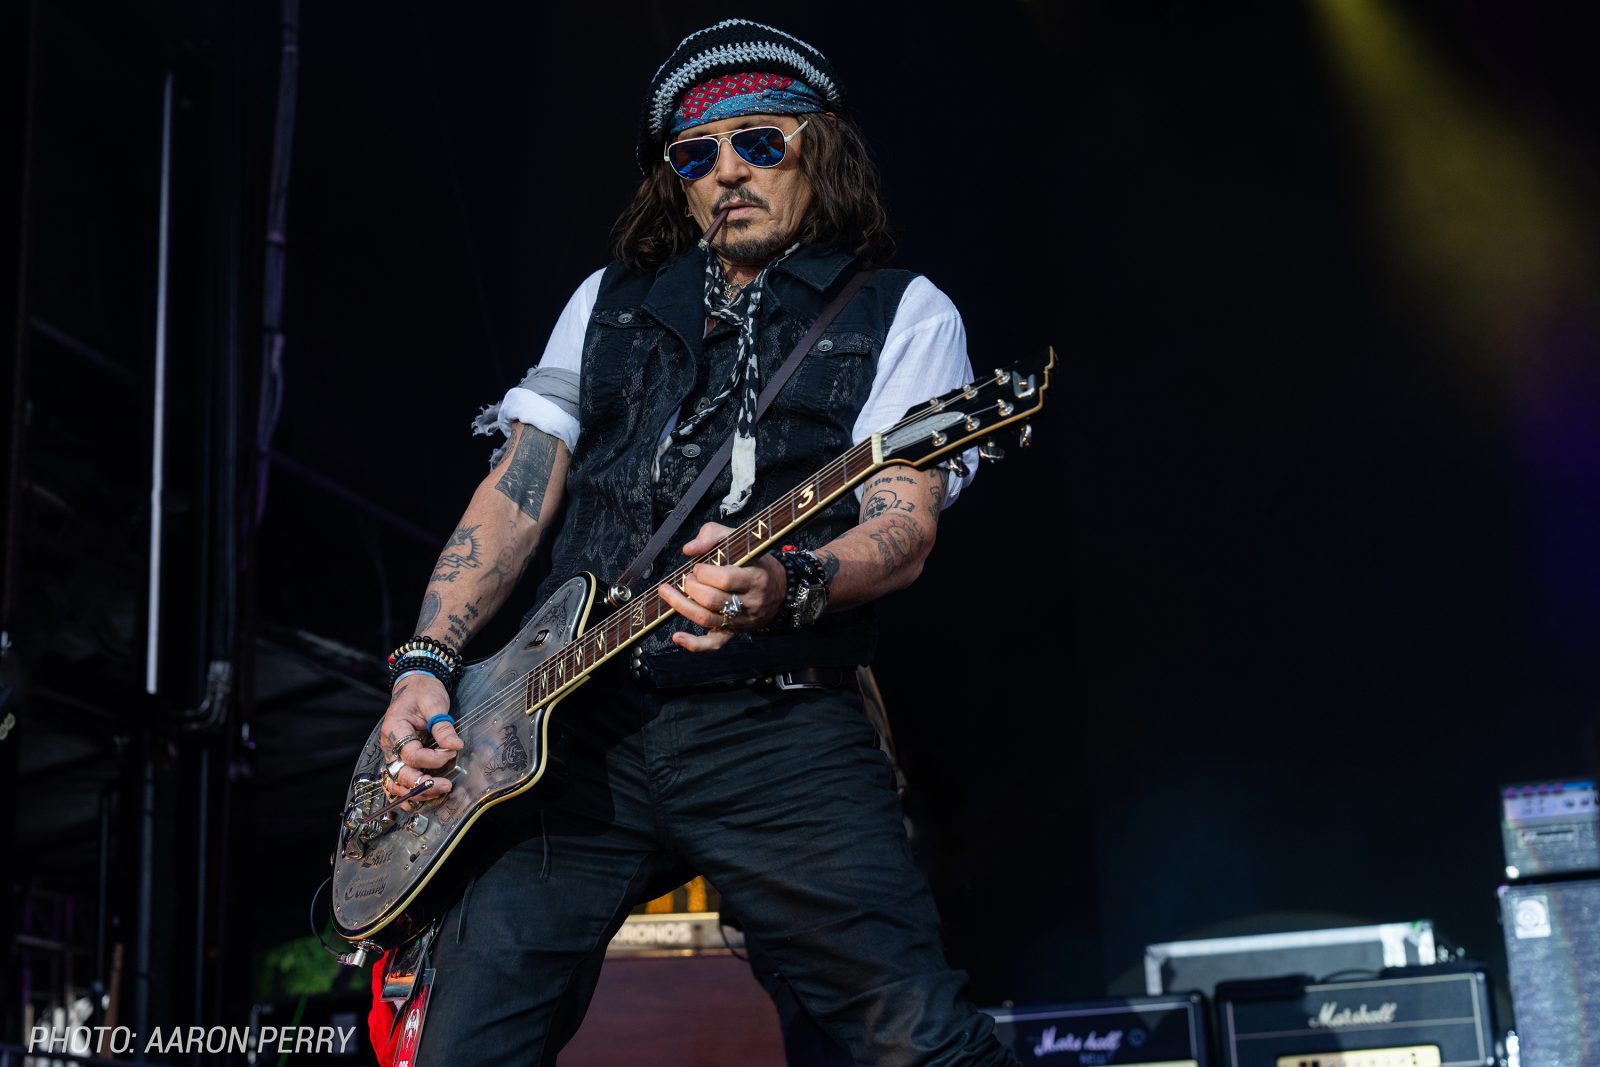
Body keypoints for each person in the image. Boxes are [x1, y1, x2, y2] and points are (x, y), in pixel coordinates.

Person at [375, 18, 1018, 1065]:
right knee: (463, 1048)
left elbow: (900, 525)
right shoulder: (607, 302)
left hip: (778, 729)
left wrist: (790, 581)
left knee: (914, 1041)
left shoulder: (903, 311)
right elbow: (516, 494)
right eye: (694, 154)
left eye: (759, 141)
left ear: (819, 149)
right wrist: (425, 661)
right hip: (572, 733)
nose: (727, 171)